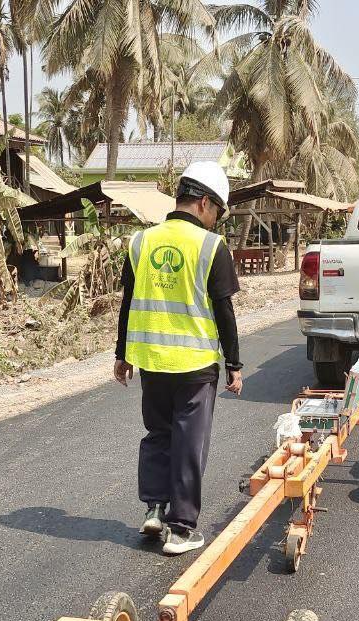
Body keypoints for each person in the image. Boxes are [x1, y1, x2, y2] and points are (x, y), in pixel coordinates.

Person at [114, 160, 242, 556]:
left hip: (152, 361)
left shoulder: (141, 242)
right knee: (189, 441)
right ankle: (182, 529)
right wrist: (235, 364)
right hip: (195, 367)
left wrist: (122, 354)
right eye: (217, 212)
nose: (215, 221)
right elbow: (225, 312)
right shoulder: (211, 246)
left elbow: (128, 303)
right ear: (205, 202)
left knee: (158, 434)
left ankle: (154, 509)